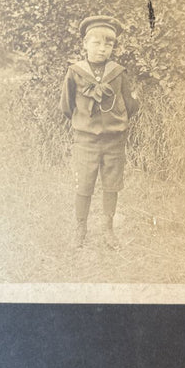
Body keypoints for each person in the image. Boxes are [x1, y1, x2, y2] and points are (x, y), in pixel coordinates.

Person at [59, 15, 139, 249]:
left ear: (113, 47)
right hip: (85, 142)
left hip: (114, 141)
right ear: (85, 44)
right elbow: (66, 106)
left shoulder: (118, 72)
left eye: (108, 44)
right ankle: (80, 229)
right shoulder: (75, 72)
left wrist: (115, 121)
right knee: (83, 185)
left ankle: (108, 229)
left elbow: (130, 105)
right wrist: (85, 123)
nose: (102, 49)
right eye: (96, 43)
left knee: (111, 185)